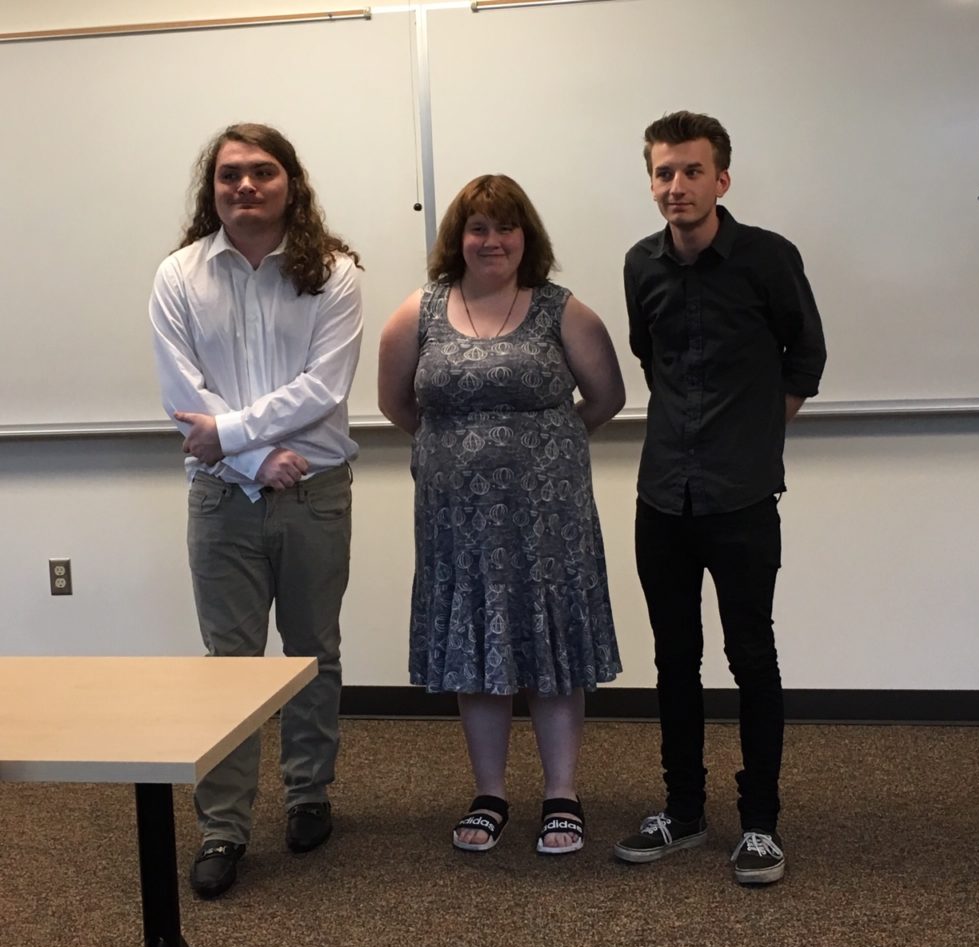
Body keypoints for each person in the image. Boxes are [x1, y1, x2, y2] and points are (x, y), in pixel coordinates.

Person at [378, 175, 624, 854]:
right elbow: (399, 406)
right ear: (458, 238)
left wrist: (537, 455)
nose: (492, 240)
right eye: (478, 227)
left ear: (527, 238)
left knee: (550, 649)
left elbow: (604, 399)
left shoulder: (562, 311)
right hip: (457, 521)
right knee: (473, 650)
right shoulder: (417, 313)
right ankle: (489, 794)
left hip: (549, 519)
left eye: (506, 227)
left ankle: (561, 796)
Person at [150, 123, 363, 898]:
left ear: (289, 183)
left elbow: (324, 386)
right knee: (228, 666)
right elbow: (183, 397)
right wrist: (252, 458)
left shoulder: (333, 273)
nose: (245, 186)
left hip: (315, 491)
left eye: (262, 172)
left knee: (314, 651)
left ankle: (309, 794)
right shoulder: (178, 275)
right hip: (222, 499)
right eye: (230, 174)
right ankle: (224, 828)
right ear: (212, 187)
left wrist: (235, 435)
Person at [613, 111, 826, 884]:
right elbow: (649, 355)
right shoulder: (640, 265)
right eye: (664, 173)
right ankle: (686, 812)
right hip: (662, 496)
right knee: (674, 660)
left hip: (740, 499)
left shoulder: (767, 259)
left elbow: (806, 357)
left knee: (751, 657)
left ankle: (760, 823)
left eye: (692, 171)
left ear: (721, 180)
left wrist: (750, 436)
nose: (677, 187)